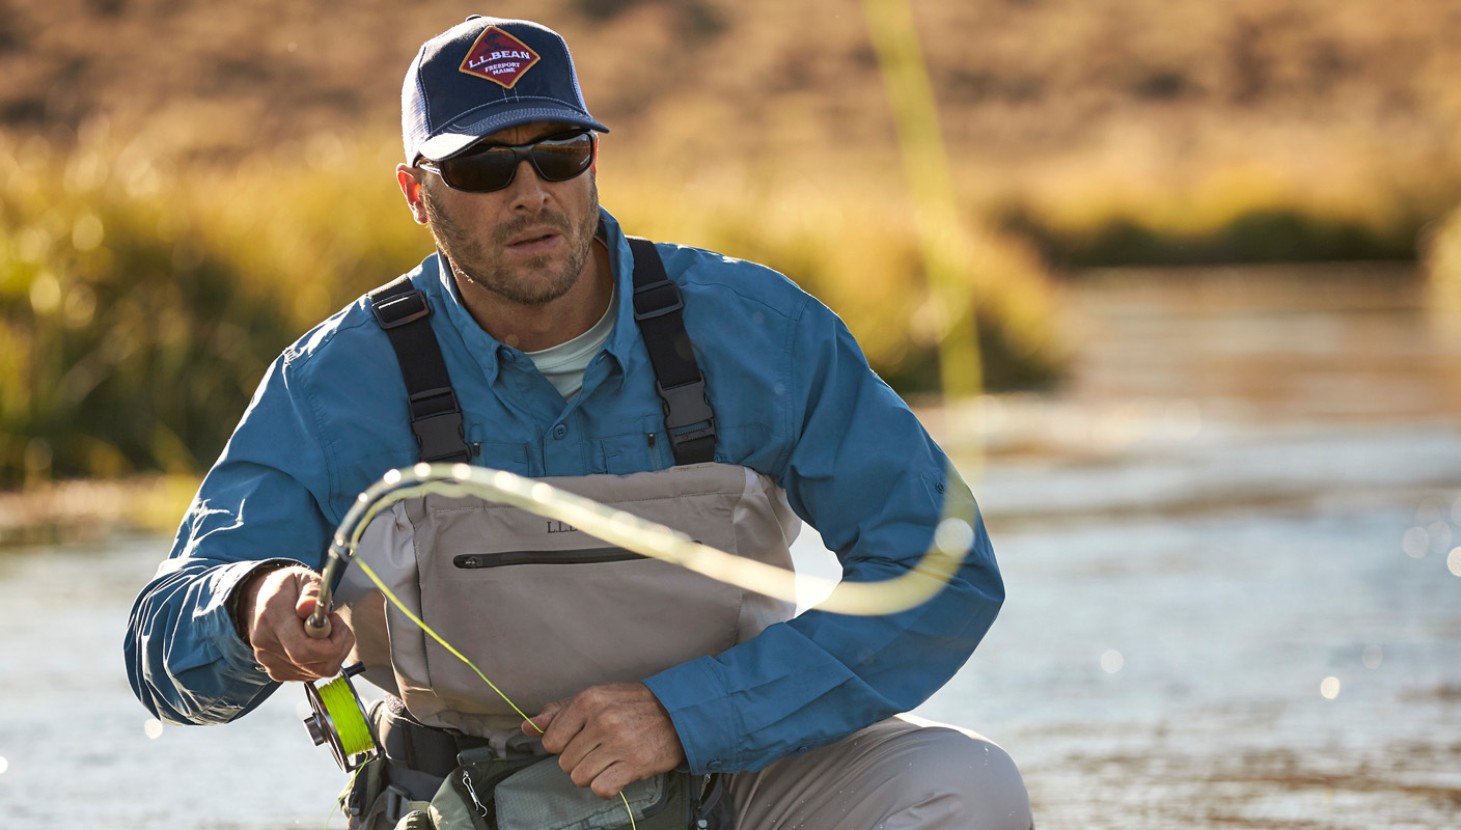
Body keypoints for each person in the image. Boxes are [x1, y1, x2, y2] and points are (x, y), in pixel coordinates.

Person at [125, 14, 1031, 830]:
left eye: (558, 152)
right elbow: (160, 643)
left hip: (740, 779)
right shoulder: (331, 383)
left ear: (591, 160)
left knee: (966, 783)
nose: (531, 192)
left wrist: (690, 716)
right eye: (483, 166)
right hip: (459, 804)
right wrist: (248, 607)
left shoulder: (761, 332)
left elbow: (942, 569)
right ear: (415, 193)